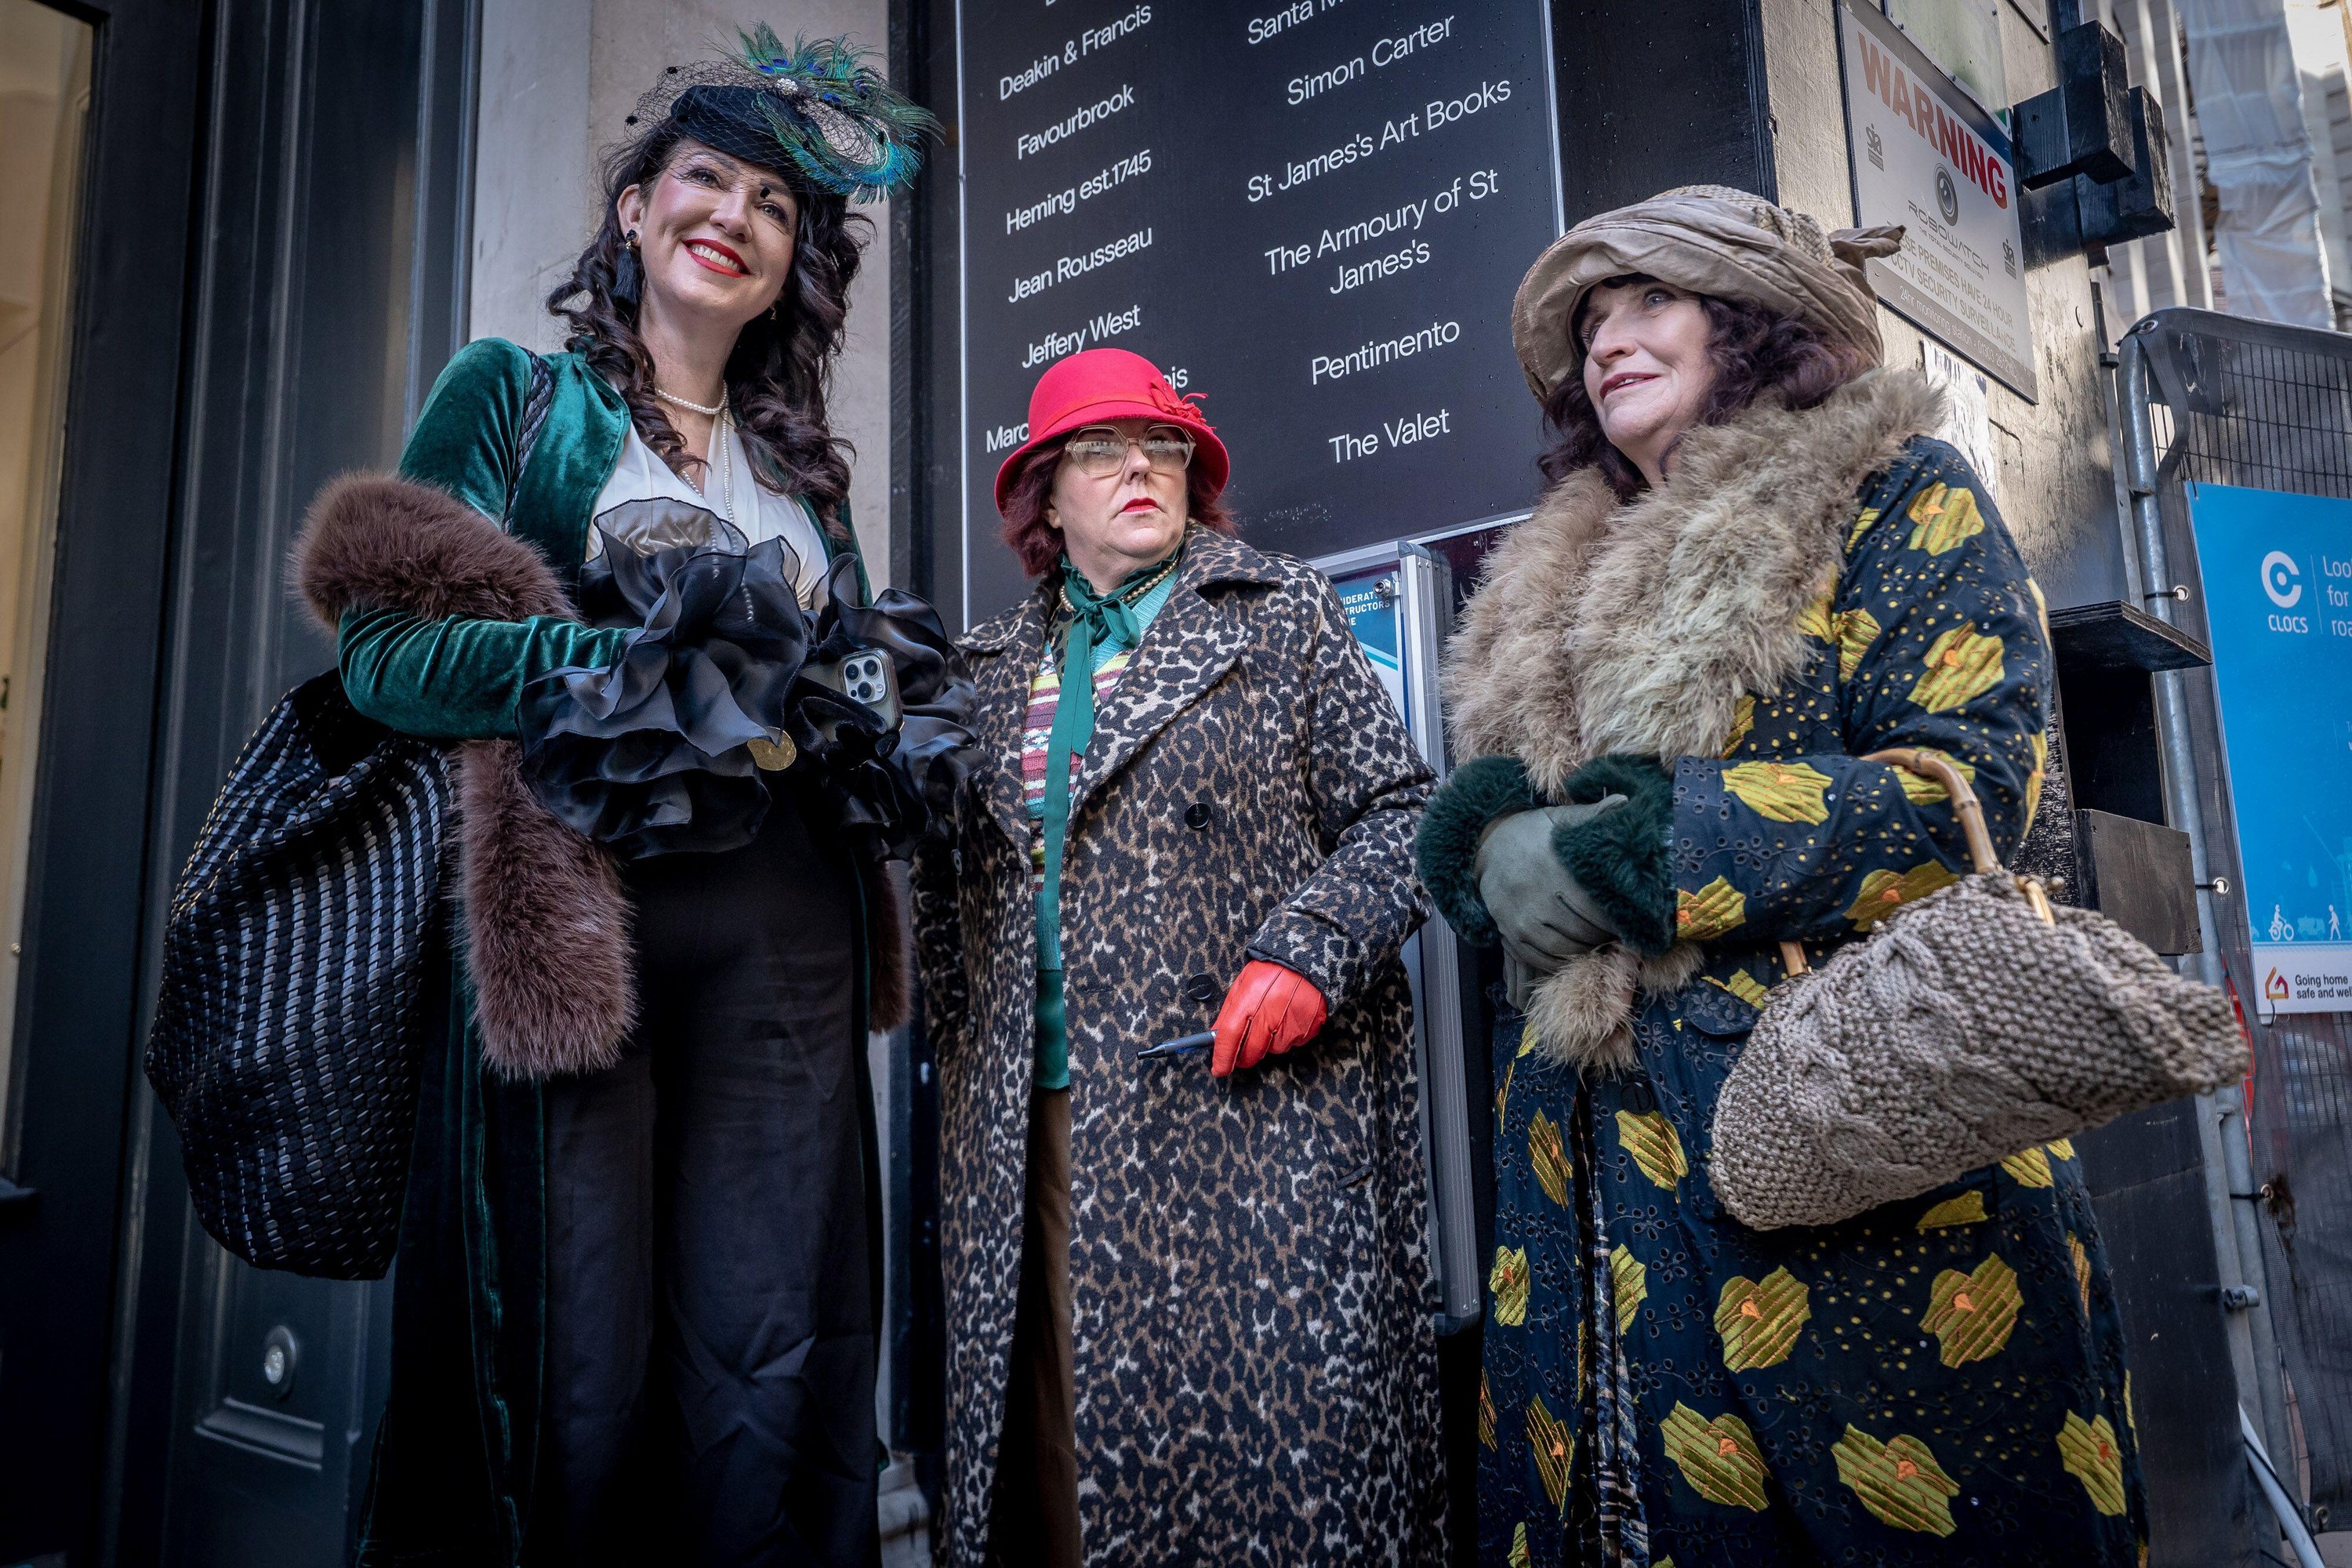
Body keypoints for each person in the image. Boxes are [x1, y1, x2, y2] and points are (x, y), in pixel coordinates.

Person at [1415, 187, 2148, 1564]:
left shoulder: (1893, 492)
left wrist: (1641, 844)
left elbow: (1966, 788)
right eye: (1589, 325)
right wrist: (1491, 846)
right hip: (1590, 1181)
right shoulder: (1540, 588)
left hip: (1852, 1140)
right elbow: (1524, 848)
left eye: (1650, 301)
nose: (1608, 341)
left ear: (1747, 324)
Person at [297, 34, 931, 1566]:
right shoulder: (512, 399)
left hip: (785, 927)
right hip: (587, 920)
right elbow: (387, 655)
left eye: (777, 206)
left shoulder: (809, 484)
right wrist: (626, 659)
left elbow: (830, 683)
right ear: (636, 212)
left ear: (791, 268)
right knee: (575, 1355)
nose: (737, 216)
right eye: (705, 179)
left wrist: (869, 704)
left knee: (771, 1331)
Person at [912, 347, 1448, 1566]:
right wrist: (967, 1048)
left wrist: (1308, 954)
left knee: (1272, 1460)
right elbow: (944, 893)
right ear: (1045, 496)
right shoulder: (982, 675)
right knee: (1061, 1464)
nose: (1138, 467)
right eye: (1098, 450)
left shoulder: (1281, 615)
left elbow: (1409, 819)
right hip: (1036, 1128)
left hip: (1244, 1118)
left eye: (1161, 448)